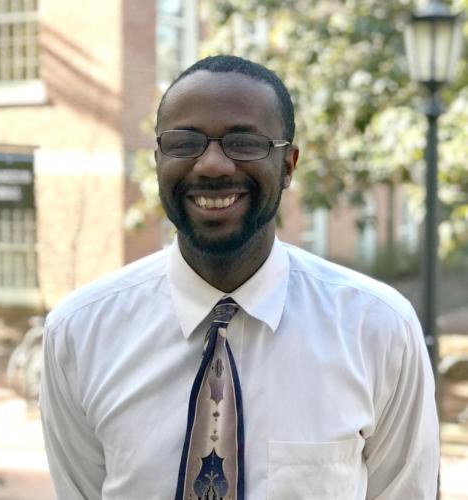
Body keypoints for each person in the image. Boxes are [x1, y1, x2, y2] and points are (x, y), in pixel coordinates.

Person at [40, 55, 439, 499]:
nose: (212, 165)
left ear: (288, 165)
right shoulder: (79, 333)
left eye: (244, 143)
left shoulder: (377, 329)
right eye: (185, 142)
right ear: (157, 161)